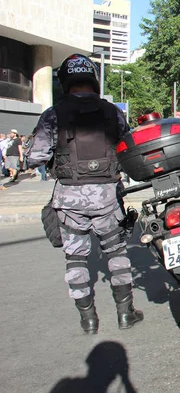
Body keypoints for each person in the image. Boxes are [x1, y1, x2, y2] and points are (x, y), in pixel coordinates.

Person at [25, 53, 143, 334]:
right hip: (108, 199)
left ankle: (88, 320)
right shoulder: (113, 112)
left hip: (69, 201)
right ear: (94, 80)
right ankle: (125, 313)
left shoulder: (53, 114)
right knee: (116, 254)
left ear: (66, 82)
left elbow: (34, 157)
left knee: (75, 259)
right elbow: (128, 147)